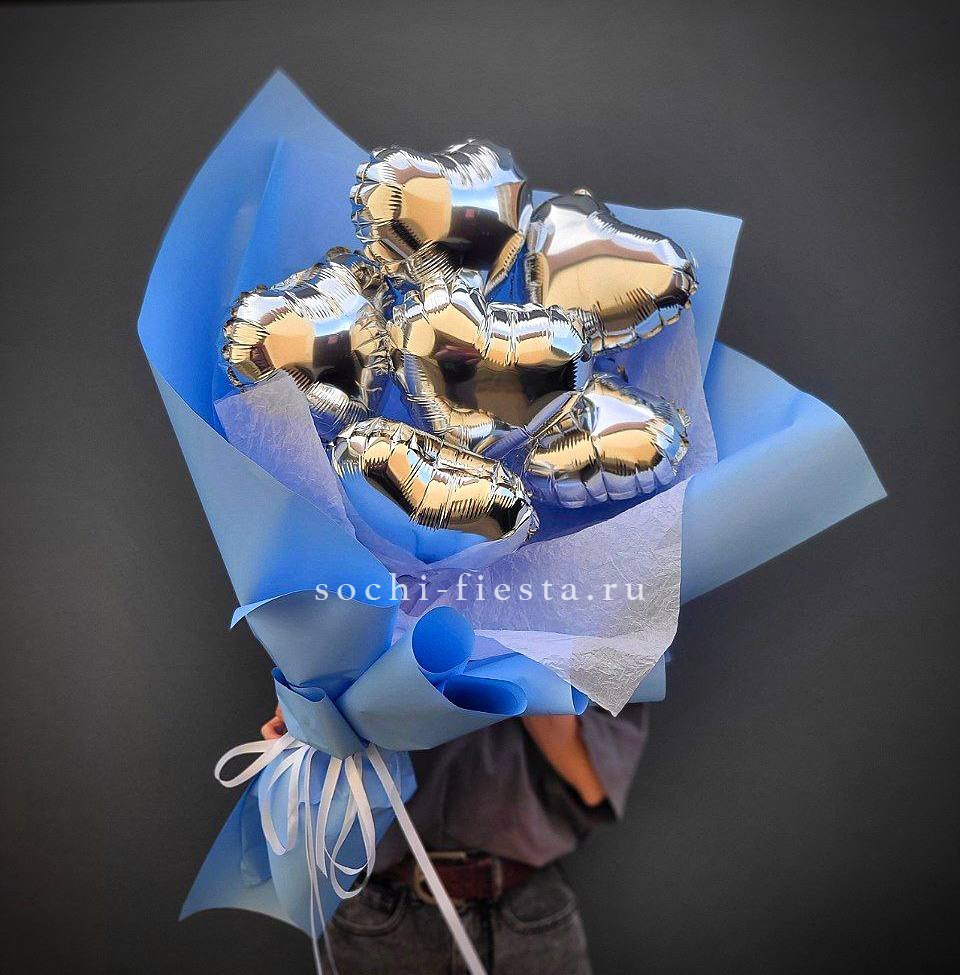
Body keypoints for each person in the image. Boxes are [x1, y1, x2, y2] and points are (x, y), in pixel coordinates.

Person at [262, 701, 649, 974]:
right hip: (378, 915)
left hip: (526, 913)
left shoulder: (589, 611)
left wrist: (526, 650)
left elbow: (593, 781)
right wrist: (305, 723)